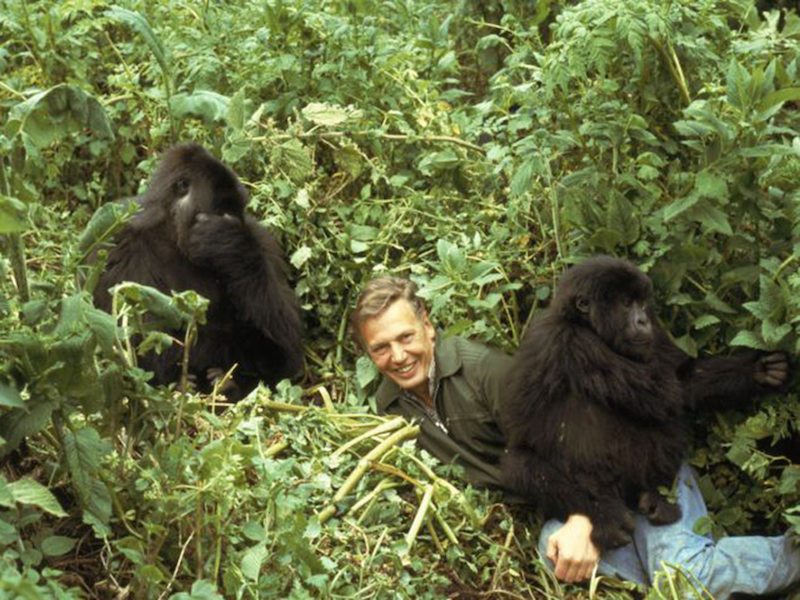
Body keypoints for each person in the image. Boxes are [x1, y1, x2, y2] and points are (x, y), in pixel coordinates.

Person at [350, 275, 800, 598]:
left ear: (427, 325)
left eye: (405, 337)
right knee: (559, 555)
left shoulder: (488, 373)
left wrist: (588, 518)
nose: (397, 356)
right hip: (581, 498)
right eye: (381, 349)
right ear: (367, 354)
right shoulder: (391, 406)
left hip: (635, 469)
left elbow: (579, 442)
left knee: (682, 578)